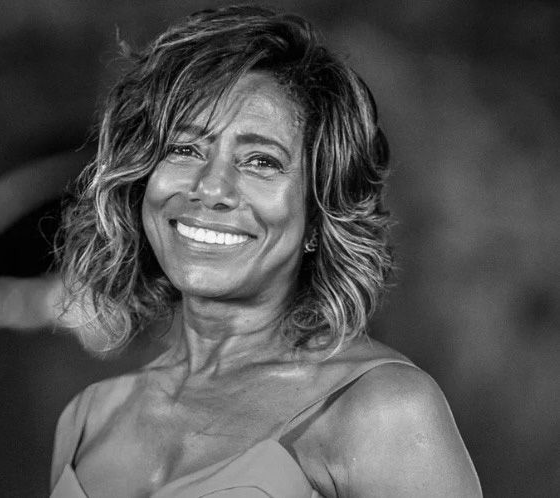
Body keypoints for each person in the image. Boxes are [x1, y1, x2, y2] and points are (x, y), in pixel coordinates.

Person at [50, 6, 482, 497]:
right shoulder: (86, 420)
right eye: (184, 149)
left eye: (260, 161)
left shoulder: (383, 409)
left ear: (318, 214)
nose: (211, 188)